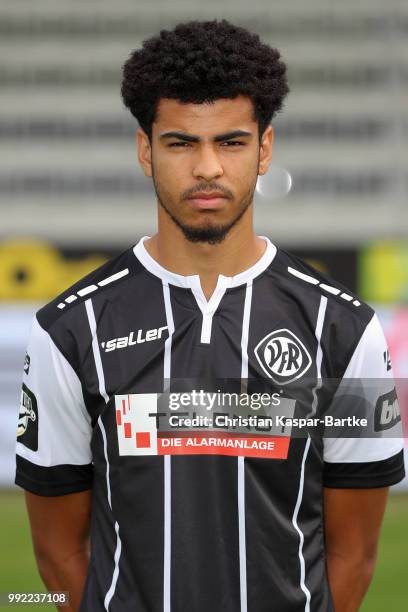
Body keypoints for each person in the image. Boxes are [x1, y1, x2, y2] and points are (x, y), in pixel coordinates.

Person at [15, 19, 405, 612]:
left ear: (264, 148)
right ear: (145, 150)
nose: (207, 169)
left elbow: (356, 554)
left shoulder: (347, 330)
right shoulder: (67, 331)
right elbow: (57, 554)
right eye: (180, 143)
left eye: (230, 141)